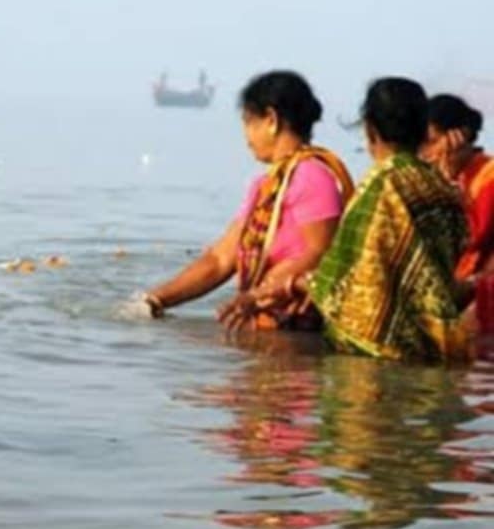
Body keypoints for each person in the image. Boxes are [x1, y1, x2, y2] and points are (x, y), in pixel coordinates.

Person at [128, 71, 353, 329]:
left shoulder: (311, 176)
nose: (246, 136)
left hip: (296, 337)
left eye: (248, 122)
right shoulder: (265, 187)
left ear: (271, 120)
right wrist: (155, 301)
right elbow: (220, 260)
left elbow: (322, 253)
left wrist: (263, 292)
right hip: (263, 330)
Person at [270, 79, 471, 362]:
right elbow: (453, 255)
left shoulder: (380, 186)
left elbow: (348, 281)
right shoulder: (442, 189)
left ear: (369, 129)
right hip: (433, 348)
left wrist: (288, 286)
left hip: (374, 356)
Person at [421, 94, 494, 281]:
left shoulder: (488, 177)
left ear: (459, 137)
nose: (424, 154)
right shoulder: (442, 179)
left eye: (432, 142)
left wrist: (446, 192)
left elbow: (470, 238)